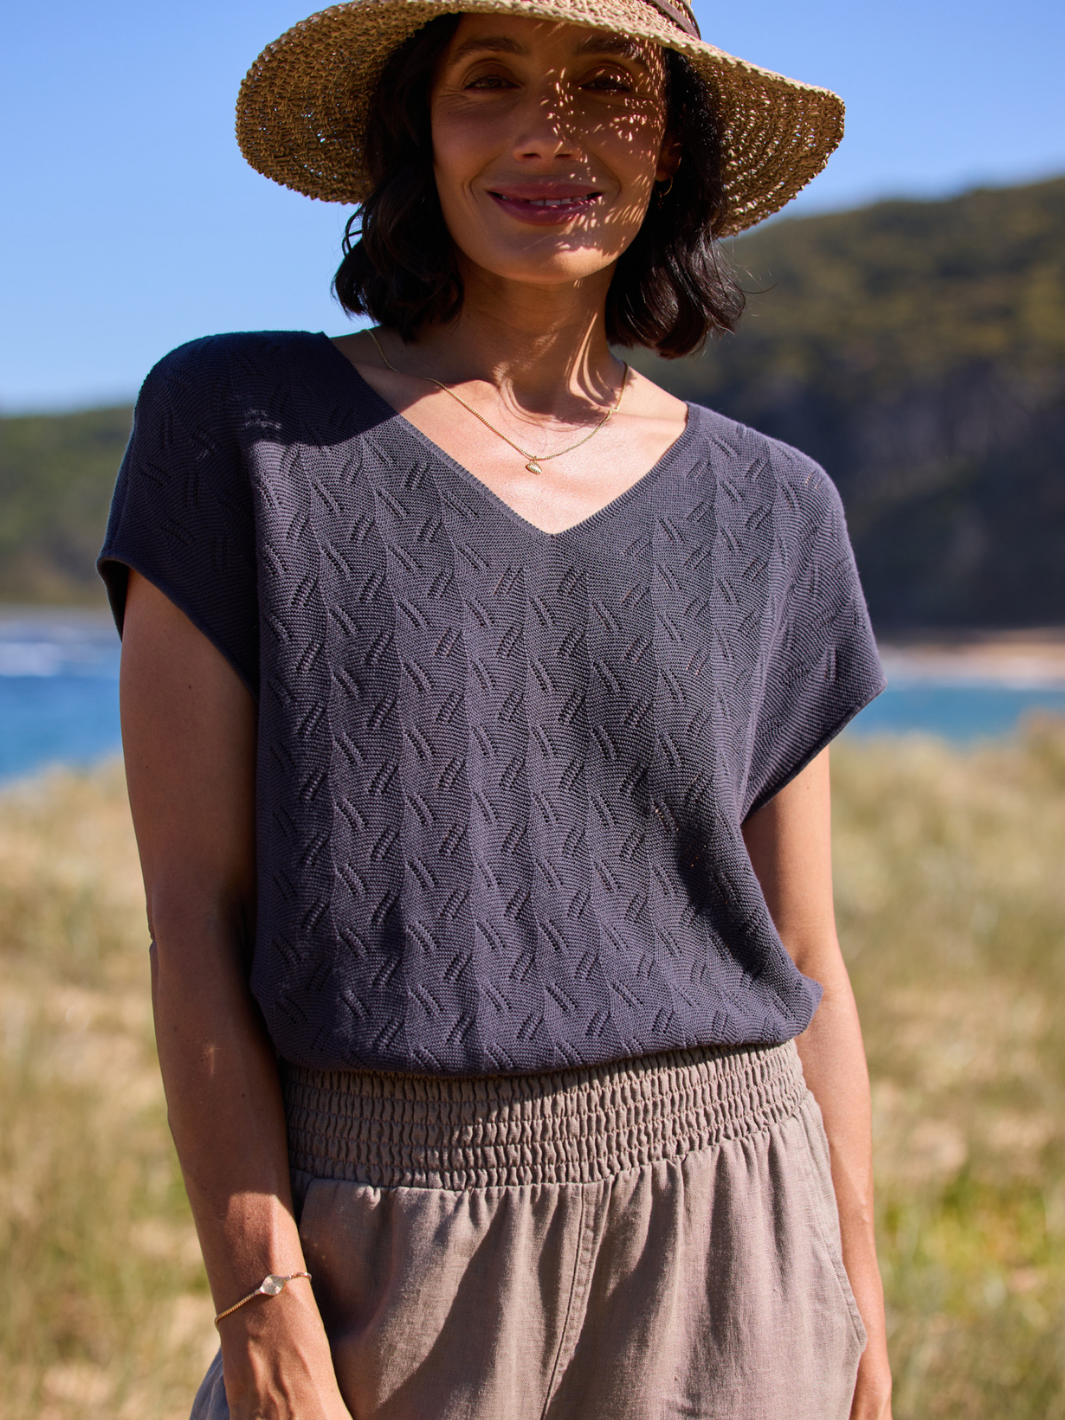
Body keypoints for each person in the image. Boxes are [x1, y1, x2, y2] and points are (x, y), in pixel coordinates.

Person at [99, 0, 892, 1415]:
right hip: (387, 1250)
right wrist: (264, 1306)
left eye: (609, 83)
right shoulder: (241, 429)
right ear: (417, 126)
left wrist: (858, 1303)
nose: (552, 127)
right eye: (492, 79)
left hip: (737, 1242)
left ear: (677, 147)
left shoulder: (776, 509)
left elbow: (805, 950)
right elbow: (190, 918)